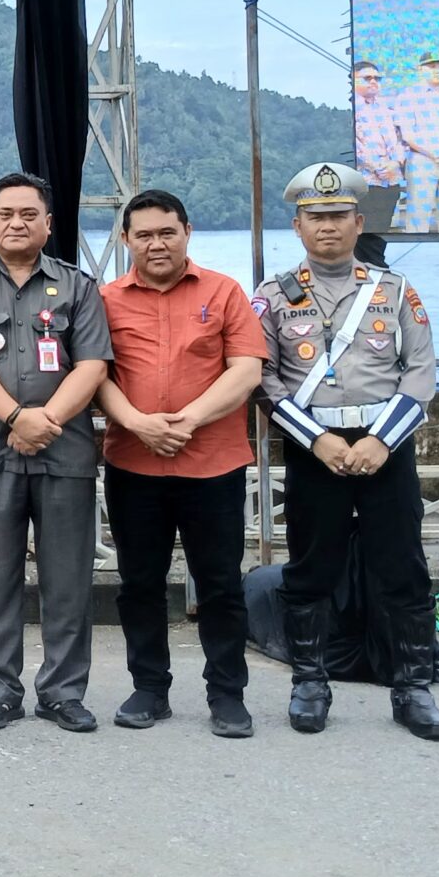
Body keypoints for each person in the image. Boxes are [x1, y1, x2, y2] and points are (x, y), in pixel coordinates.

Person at [257, 162, 439, 742]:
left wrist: (381, 440)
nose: (328, 227)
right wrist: (317, 439)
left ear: (358, 222)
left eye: (339, 215)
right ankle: (310, 685)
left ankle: (413, 687)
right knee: (311, 568)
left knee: (403, 566)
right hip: (314, 449)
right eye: (315, 217)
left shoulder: (394, 290)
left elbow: (420, 372)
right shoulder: (272, 296)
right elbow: (264, 380)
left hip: (386, 449)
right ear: (297, 226)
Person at [0, 172, 112, 733]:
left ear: (48, 224)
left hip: (65, 452)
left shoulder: (78, 286)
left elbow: (92, 364)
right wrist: (17, 418)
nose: (17, 223)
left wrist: (46, 420)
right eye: (6, 214)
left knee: (69, 581)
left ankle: (63, 692)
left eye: (29, 214)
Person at [93, 191, 267, 738]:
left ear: (187, 232)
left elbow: (247, 370)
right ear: (126, 240)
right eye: (144, 235)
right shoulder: (104, 300)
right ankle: (149, 688)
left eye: (167, 232)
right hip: (133, 465)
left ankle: (227, 694)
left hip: (213, 465)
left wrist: (186, 420)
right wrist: (137, 422)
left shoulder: (224, 291)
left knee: (220, 585)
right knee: (139, 583)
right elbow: (93, 373)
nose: (156, 244)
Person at [392, 47, 439, 233]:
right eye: (432, 66)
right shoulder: (408, 96)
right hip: (422, 160)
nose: (437, 70)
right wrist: (434, 154)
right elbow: (407, 134)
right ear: (421, 69)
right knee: (418, 213)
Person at [351, 61, 407, 232]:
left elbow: (400, 140)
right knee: (363, 232)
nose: (373, 81)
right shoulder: (349, 108)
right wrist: (377, 167)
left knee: (381, 233)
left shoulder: (386, 108)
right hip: (365, 181)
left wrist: (395, 163)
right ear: (352, 79)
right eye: (367, 78)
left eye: (377, 78)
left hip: (391, 180)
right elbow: (354, 145)